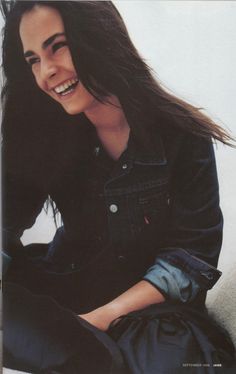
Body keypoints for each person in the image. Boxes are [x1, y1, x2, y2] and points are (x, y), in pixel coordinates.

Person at [1, 1, 235, 373]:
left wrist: (100, 319)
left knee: (178, 362)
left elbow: (191, 261)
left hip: (147, 311)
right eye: (32, 60)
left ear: (98, 38)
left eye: (57, 46)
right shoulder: (44, 137)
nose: (46, 73)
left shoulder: (182, 137)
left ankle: (82, 352)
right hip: (65, 288)